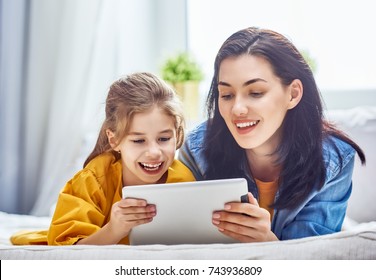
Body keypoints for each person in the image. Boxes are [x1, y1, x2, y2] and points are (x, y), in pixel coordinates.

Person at [178, 27, 366, 242]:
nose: (237, 108)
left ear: (293, 94)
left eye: (256, 93)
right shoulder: (196, 148)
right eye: (227, 94)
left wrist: (266, 242)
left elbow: (311, 260)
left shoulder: (333, 161)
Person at [11, 72, 195, 245]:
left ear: (177, 135)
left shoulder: (184, 181)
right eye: (139, 140)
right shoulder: (93, 180)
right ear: (114, 140)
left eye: (164, 139)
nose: (154, 152)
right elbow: (68, 251)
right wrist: (113, 230)